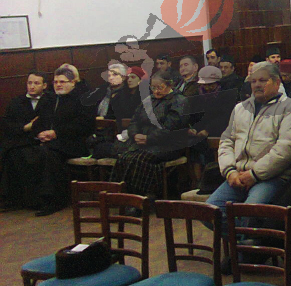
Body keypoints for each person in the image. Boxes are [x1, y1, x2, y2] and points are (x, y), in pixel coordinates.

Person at [206, 62, 291, 221]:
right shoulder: (240, 108)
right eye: (253, 81)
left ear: (277, 82)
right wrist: (230, 171)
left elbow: (286, 150)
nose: (257, 85)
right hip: (238, 175)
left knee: (250, 215)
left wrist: (254, 174)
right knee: (209, 213)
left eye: (262, 80)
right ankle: (242, 235)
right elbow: (227, 141)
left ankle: (245, 234)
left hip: (272, 177)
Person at [24, 68, 96, 215]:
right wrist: (40, 133)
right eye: (56, 82)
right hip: (51, 142)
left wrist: (56, 133)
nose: (58, 85)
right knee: (30, 152)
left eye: (62, 82)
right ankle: (34, 199)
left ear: (73, 83)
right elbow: (39, 121)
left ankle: (54, 200)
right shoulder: (49, 99)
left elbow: (85, 125)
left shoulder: (83, 99)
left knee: (49, 153)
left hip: (75, 143)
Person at [108, 71, 190, 197]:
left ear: (170, 85)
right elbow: (134, 121)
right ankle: (120, 195)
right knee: (124, 157)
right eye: (153, 87)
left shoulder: (179, 101)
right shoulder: (148, 100)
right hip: (144, 143)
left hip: (169, 145)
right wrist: (135, 135)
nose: (156, 91)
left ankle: (140, 198)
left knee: (139, 159)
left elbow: (170, 128)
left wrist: (149, 138)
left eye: (160, 87)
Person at [0, 71, 52, 210]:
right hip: (22, 140)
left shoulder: (51, 101)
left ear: (44, 85)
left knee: (43, 155)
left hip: (45, 140)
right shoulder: (16, 102)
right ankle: (16, 199)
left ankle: (42, 200)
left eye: (36, 83)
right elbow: (7, 125)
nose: (32, 86)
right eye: (29, 83)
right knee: (13, 154)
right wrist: (25, 127)